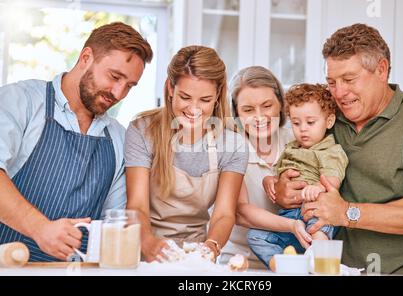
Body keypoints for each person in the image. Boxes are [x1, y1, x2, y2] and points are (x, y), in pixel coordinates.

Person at [272, 23, 403, 275]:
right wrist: (283, 188)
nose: (340, 92)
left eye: (349, 79)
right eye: (332, 82)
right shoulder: (328, 115)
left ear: (381, 70)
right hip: (335, 270)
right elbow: (298, 157)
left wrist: (347, 213)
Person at [0, 22, 153, 262]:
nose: (119, 93)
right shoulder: (21, 101)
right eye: (115, 76)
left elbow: (114, 224)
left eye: (130, 86)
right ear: (86, 57)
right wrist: (40, 228)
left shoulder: (119, 139)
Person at [125, 45, 248, 262]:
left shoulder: (233, 144)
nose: (194, 109)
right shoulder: (141, 131)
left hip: (197, 253)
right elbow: (137, 206)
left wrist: (211, 246)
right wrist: (149, 244)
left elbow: (224, 214)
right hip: (145, 250)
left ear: (218, 95)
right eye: (185, 97)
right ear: (170, 88)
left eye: (205, 100)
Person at [219, 66, 312, 269]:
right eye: (248, 110)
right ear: (236, 113)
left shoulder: (299, 140)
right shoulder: (229, 149)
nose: (259, 116)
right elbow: (241, 212)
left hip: (296, 261)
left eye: (267, 105)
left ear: (280, 103)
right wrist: (291, 225)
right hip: (240, 262)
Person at [247, 83, 348, 268]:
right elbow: (280, 176)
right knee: (254, 235)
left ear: (329, 121)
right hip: (289, 221)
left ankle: (319, 265)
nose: (303, 129)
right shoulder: (290, 148)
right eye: (296, 123)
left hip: (314, 212)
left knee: (320, 229)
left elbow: (333, 177)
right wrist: (269, 180)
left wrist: (318, 187)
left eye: (310, 122)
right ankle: (285, 266)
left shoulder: (330, 150)